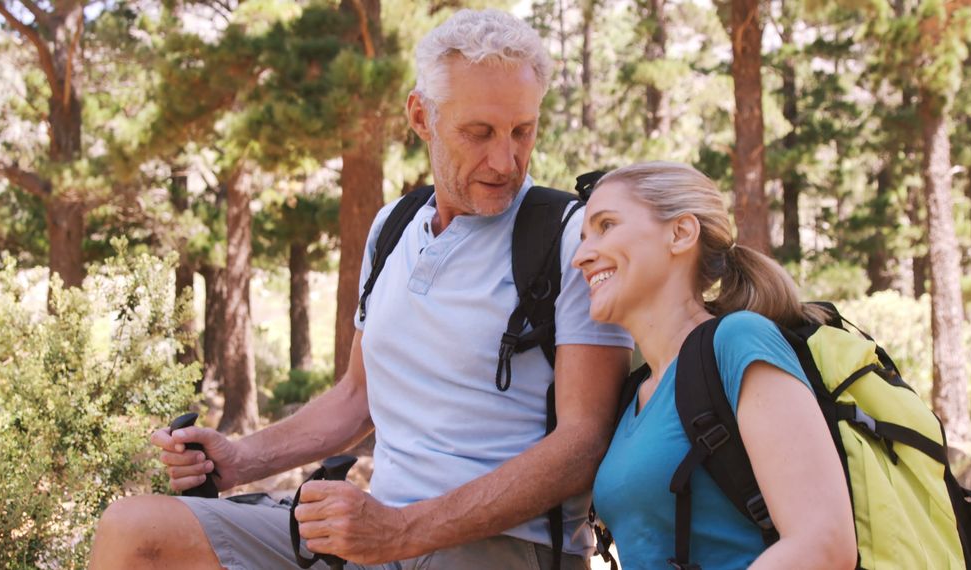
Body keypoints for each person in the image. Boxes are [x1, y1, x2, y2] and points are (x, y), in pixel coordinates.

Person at [88, 9, 632, 570]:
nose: (506, 160)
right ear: (422, 117)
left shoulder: (572, 237)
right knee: (136, 531)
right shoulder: (392, 227)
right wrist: (241, 458)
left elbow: (583, 443)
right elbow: (356, 398)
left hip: (501, 547)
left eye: (523, 130)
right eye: (479, 132)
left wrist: (401, 531)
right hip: (381, 533)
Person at [572, 162, 856, 569]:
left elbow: (823, 544)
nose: (581, 256)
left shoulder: (738, 342)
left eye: (606, 225)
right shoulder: (635, 393)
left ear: (681, 233)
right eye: (583, 238)